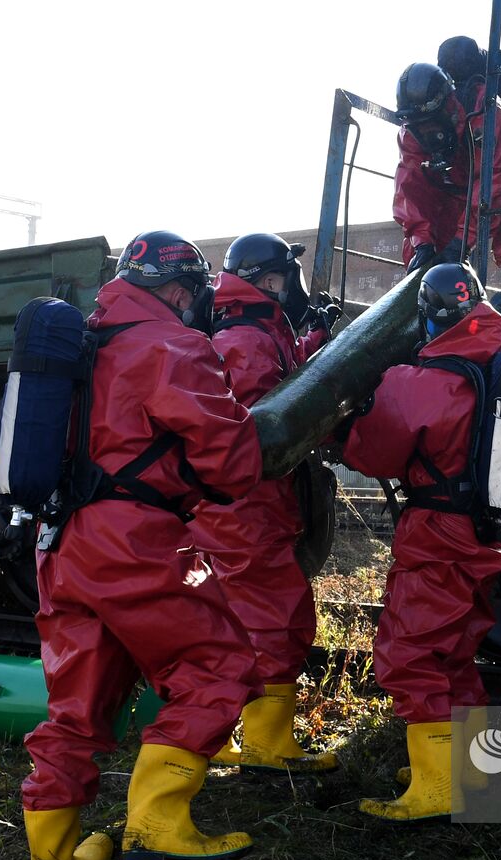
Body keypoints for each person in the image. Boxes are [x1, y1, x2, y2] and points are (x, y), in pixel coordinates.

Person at [20, 231, 264, 860]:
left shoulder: (81, 347)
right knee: (222, 664)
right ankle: (159, 820)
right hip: (149, 544)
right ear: (182, 290)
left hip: (61, 543)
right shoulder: (174, 346)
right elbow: (234, 464)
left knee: (76, 707)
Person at [340, 263, 501, 821]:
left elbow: (372, 457)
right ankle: (470, 771)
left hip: (438, 529)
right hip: (487, 531)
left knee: (411, 653)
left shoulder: (421, 381)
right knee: (456, 649)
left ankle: (436, 791)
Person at [188, 232, 342, 773]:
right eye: (284, 279)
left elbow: (278, 379)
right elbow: (264, 421)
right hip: (250, 509)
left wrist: (316, 340)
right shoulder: (248, 340)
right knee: (278, 618)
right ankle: (268, 743)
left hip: (240, 508)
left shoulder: (250, 330)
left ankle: (225, 732)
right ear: (270, 280)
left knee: (239, 620)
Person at [392, 60, 501, 274]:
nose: (427, 131)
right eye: (419, 126)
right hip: (460, 181)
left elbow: (496, 184)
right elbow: (409, 189)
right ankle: (433, 296)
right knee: (424, 251)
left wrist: (462, 242)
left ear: (448, 108)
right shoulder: (411, 134)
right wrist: (422, 243)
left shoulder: (490, 118)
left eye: (431, 123)